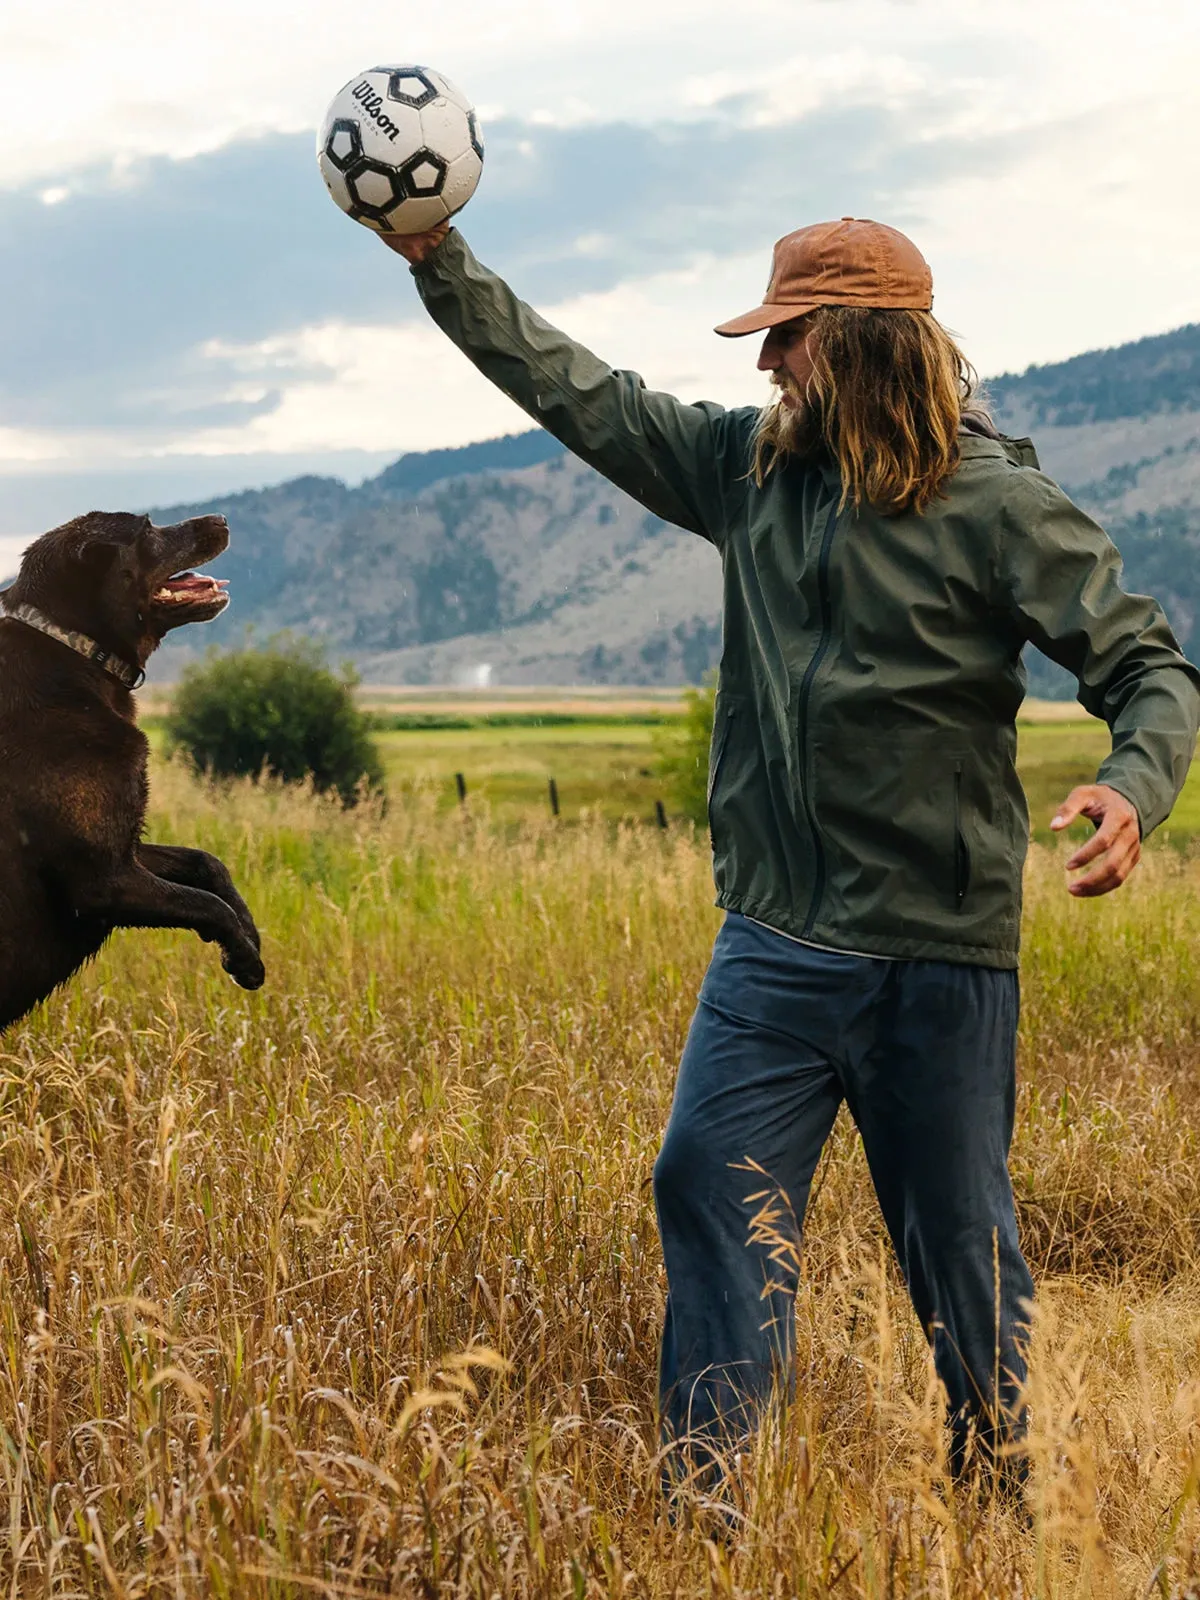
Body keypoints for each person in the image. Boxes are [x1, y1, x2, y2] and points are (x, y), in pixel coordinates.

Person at [381, 216, 1200, 1486]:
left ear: (865, 348)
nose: (766, 368)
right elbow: (576, 389)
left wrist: (1132, 787)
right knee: (705, 1179)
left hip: (939, 952)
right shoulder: (741, 473)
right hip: (774, 945)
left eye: (790, 342)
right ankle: (710, 1500)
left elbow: (1150, 668)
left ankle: (999, 1490)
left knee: (960, 1250)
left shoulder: (1001, 507)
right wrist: (442, 261)